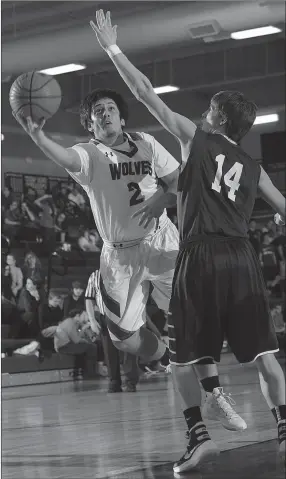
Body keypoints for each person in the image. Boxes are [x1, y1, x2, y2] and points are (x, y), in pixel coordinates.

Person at [91, 9, 286, 472]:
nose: (204, 111)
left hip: (198, 256)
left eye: (210, 107)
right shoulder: (254, 168)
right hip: (242, 258)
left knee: (183, 357)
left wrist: (112, 48)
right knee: (265, 356)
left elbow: (144, 92)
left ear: (217, 118)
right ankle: (284, 431)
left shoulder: (196, 140)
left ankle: (199, 438)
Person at [13, 49, 245, 430]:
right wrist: (38, 135)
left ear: (121, 116)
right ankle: (169, 358)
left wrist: (160, 199)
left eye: (109, 109)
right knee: (123, 339)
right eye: (96, 112)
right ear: (89, 125)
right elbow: (63, 159)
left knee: (193, 318)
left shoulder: (148, 144)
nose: (104, 114)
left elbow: (178, 185)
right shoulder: (88, 155)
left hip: (162, 241)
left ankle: (215, 393)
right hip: (119, 256)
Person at [85, 269, 139, 392]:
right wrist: (92, 320)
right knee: (109, 352)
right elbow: (89, 298)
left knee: (130, 351)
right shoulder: (95, 275)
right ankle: (114, 382)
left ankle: (131, 382)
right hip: (106, 317)